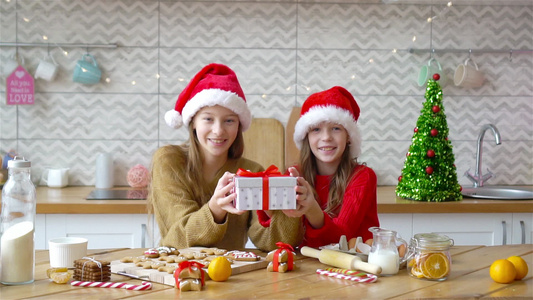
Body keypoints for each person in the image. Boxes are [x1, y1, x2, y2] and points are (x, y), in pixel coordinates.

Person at [148, 63, 303, 252]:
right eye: (208, 119)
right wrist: (214, 210)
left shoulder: (251, 171)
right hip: (180, 273)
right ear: (193, 122)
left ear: (239, 125)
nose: (218, 130)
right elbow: (178, 239)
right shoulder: (169, 161)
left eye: (229, 120)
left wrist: (277, 215)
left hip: (232, 277)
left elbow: (271, 245)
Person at [285, 86, 379, 248]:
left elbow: (340, 238)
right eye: (316, 129)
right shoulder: (294, 175)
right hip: (307, 265)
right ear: (306, 137)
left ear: (348, 136)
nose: (326, 137)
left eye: (336, 128)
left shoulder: (363, 177)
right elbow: (281, 230)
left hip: (355, 268)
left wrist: (312, 208)